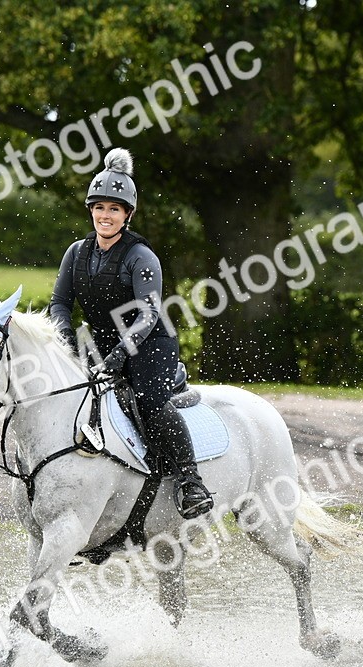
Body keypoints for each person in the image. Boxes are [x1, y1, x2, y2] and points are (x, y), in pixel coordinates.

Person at [49, 148, 214, 519]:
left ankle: (190, 481)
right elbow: (60, 303)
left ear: (127, 215)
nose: (105, 216)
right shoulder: (75, 253)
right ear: (90, 210)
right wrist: (64, 342)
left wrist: (120, 356)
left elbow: (148, 312)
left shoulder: (141, 256)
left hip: (150, 342)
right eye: (99, 207)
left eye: (114, 209)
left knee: (148, 402)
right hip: (102, 343)